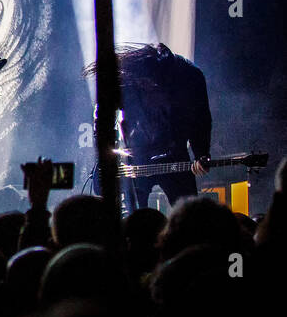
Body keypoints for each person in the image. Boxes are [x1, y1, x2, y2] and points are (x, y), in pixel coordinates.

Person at [88, 43, 212, 210]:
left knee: (189, 212)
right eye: (145, 85)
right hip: (135, 155)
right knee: (132, 213)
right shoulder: (125, 81)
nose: (149, 90)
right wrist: (105, 157)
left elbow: (201, 119)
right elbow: (102, 118)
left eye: (153, 88)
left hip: (173, 150)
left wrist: (201, 153)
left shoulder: (190, 78)